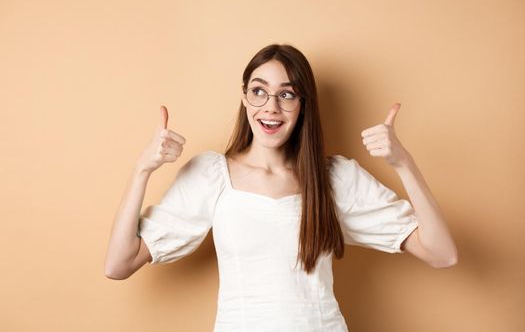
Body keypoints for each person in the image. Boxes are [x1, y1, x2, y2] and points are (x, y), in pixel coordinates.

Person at [104, 43, 458, 331]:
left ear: (303, 106)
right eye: (259, 91)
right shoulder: (212, 175)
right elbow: (119, 264)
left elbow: (442, 253)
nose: (270, 107)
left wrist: (403, 164)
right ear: (245, 99)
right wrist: (142, 170)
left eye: (287, 95)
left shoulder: (333, 178)